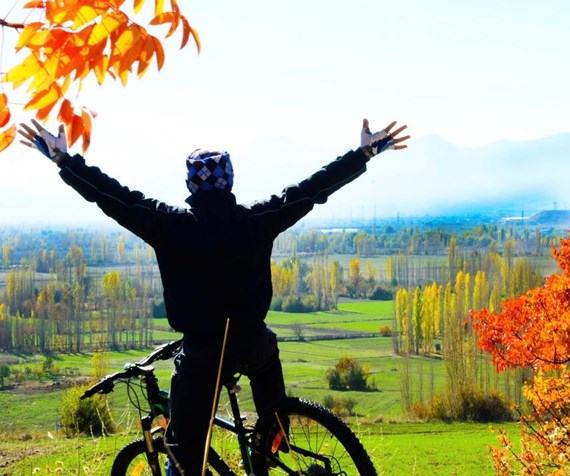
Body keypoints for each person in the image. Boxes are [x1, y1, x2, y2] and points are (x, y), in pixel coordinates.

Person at [19, 118, 410, 475]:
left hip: (205, 353)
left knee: (182, 451)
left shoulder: (170, 225)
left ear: (191, 185)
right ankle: (270, 446)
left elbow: (114, 197)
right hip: (257, 345)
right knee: (273, 425)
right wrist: (363, 154)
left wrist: (63, 160)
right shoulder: (256, 220)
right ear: (230, 182)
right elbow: (310, 191)